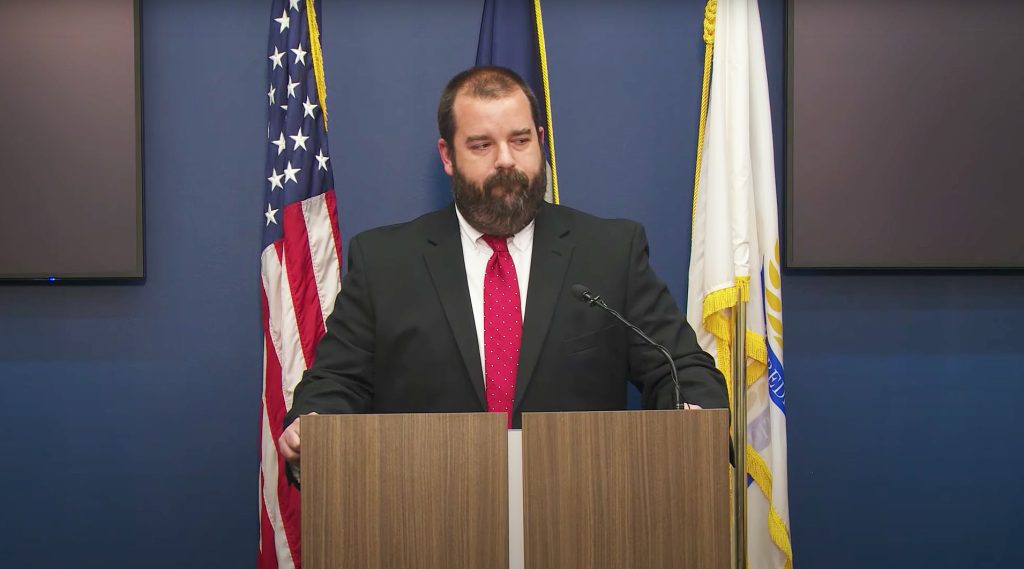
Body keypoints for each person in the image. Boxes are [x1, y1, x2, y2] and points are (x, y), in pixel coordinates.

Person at [278, 66, 727, 466]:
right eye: (481, 145)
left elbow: (680, 366)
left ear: (540, 141)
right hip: (428, 516)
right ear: (448, 157)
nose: (507, 160)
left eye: (520, 140)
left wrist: (693, 413)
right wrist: (313, 423)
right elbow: (337, 381)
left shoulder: (610, 251)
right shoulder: (385, 262)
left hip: (580, 516)